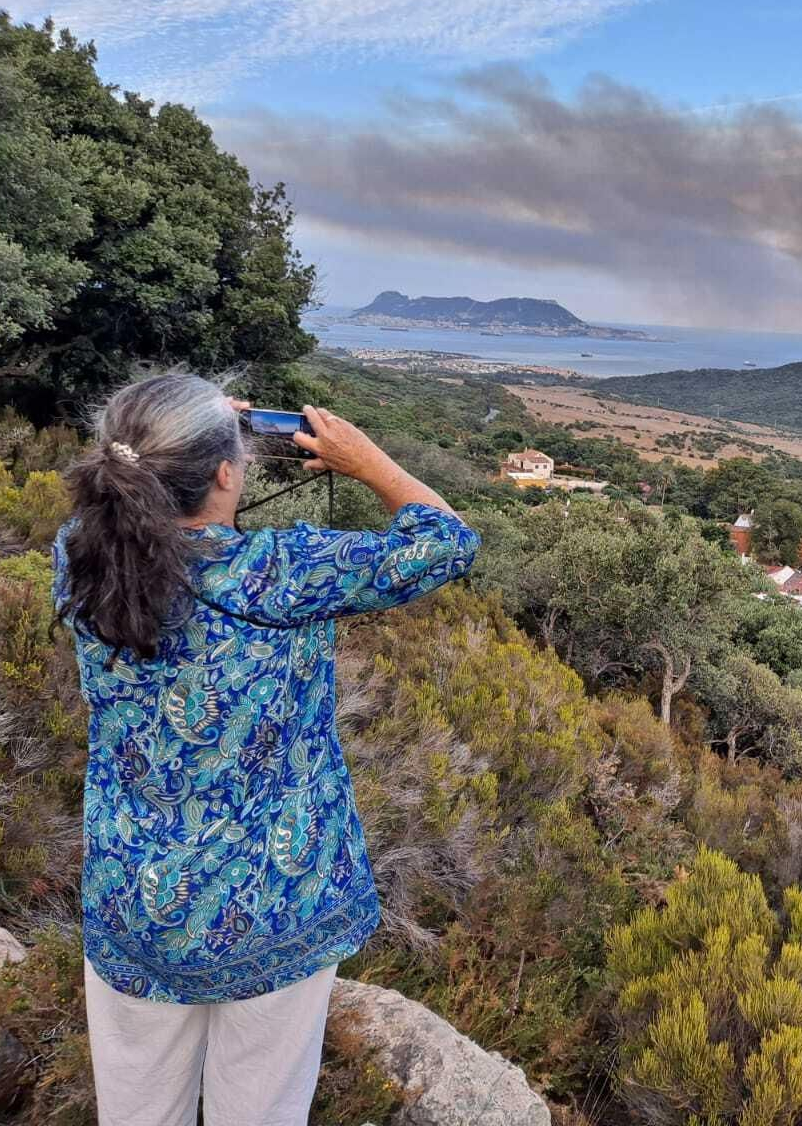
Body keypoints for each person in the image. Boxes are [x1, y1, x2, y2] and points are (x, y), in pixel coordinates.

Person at [51, 373, 479, 1126]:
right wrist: (369, 462)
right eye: (236, 457)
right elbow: (446, 542)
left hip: (134, 901)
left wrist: (186, 432)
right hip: (276, 904)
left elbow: (136, 497)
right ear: (225, 472)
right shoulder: (286, 572)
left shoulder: (81, 554)